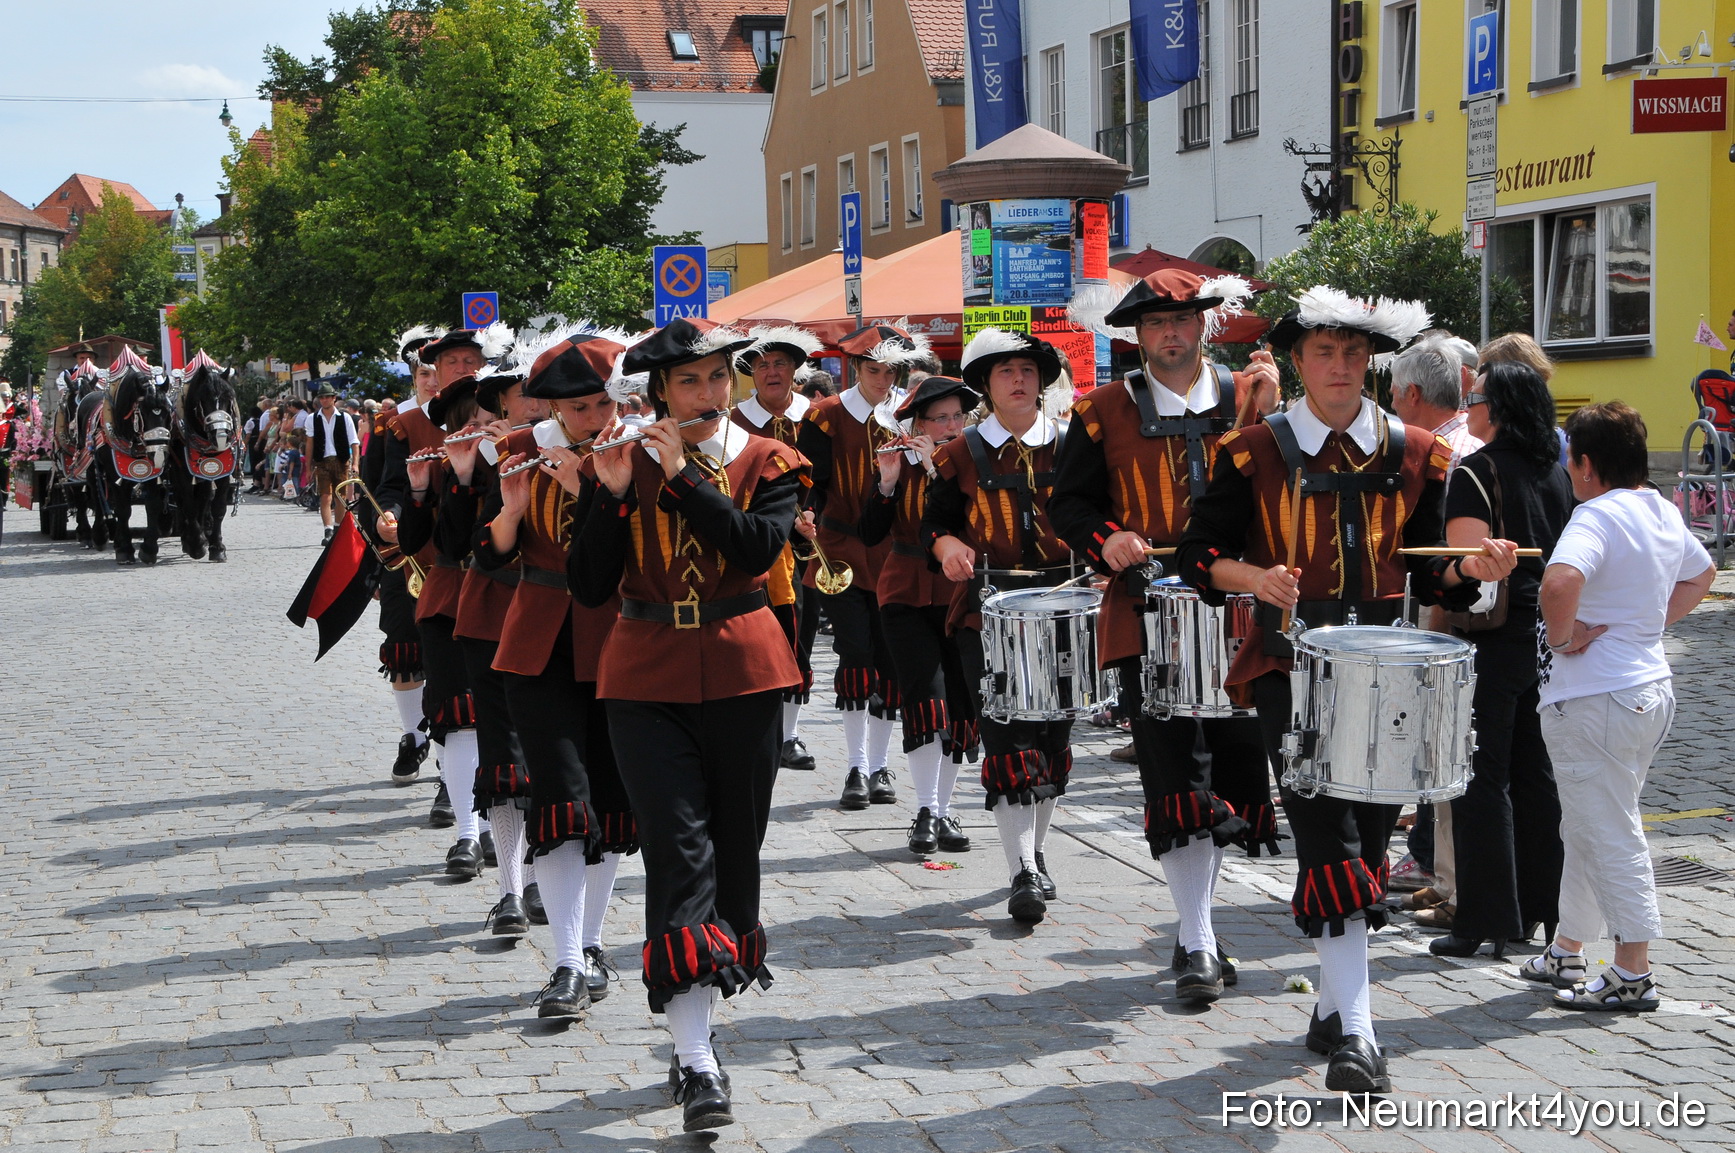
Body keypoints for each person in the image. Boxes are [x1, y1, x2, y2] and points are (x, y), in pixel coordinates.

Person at [1177, 285, 1512, 1093]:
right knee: (1331, 843)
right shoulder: (1250, 450)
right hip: (1285, 670)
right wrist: (1255, 576)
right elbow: (1196, 556)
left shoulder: (1419, 451)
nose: (1339, 367)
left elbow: (1436, 570)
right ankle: (1359, 1036)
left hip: (1389, 670)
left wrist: (1470, 568)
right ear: (1296, 360)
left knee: (1361, 835)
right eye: (1323, 352)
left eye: (1354, 354)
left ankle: (1332, 1005)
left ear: (1373, 363)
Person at [569, 317, 807, 1132]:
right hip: (643, 674)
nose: (705, 395)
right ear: (658, 395)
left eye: (715, 380)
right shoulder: (627, 463)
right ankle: (697, 1058)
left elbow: (752, 549)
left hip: (746, 669)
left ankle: (704, 1015)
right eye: (687, 384)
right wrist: (602, 493)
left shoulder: (769, 461)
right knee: (679, 851)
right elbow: (592, 584)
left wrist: (681, 480)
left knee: (736, 851)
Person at [1050, 268, 1280, 1003]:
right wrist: (1105, 538)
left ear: (1204, 327)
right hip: (1146, 610)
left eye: (1181, 321)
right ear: (1135, 334)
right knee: (1174, 777)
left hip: (1240, 609)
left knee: (1238, 774)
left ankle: (1201, 930)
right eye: (1153, 324)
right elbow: (1068, 504)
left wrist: (1271, 421)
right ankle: (1197, 938)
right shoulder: (1099, 411)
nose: (1169, 335)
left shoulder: (1250, 400)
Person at [1527, 401, 1714, 1011]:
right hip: (1645, 689)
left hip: (1595, 696)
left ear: (1584, 465)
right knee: (1589, 822)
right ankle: (1569, 946)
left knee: (1607, 829)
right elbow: (1704, 570)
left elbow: (1558, 582)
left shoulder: (1596, 514)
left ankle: (1633, 967)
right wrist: (1645, 624)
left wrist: (1563, 637)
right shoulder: (1659, 508)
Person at [478, 325, 641, 1013]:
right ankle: (567, 961)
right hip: (539, 636)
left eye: (604, 405)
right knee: (560, 797)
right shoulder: (517, 450)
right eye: (578, 409)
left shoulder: (640, 451)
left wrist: (597, 491)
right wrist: (512, 513)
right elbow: (490, 556)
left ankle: (593, 943)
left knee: (608, 796)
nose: (594, 420)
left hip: (621, 639)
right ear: (549, 406)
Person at [922, 329, 1077, 926]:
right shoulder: (958, 454)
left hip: (1065, 605)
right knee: (1008, 738)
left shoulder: (1071, 444)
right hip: (986, 612)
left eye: (1029, 370)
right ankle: (1021, 870)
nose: (1019, 379)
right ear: (986, 386)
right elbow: (931, 527)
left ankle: (1036, 851)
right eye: (1005, 370)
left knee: (1053, 741)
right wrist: (948, 546)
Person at [1425, 362, 1575, 960]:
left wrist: (1446, 577)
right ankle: (1543, 911)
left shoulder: (1477, 470)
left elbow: (1465, 576)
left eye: (1475, 397)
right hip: (1546, 639)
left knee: (1478, 774)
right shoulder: (1555, 474)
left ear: (1500, 407)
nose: (1468, 407)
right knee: (1535, 775)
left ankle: (1486, 919)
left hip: (1493, 638)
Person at [796, 324, 933, 810]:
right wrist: (804, 513)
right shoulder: (827, 414)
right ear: (856, 368)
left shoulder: (910, 413)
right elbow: (806, 479)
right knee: (855, 657)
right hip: (839, 549)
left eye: (890, 370)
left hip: (896, 552)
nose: (882, 379)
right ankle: (855, 765)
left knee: (889, 663)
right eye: (873, 370)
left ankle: (879, 765)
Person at [859, 375, 981, 856]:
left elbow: (972, 522)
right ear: (919, 423)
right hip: (906, 591)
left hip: (960, 593)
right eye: (941, 418)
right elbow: (871, 533)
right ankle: (927, 809)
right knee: (925, 697)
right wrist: (888, 483)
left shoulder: (974, 461)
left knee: (959, 702)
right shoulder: (900, 458)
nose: (952, 426)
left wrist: (940, 470)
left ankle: (944, 808)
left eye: (958, 417)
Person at [1385, 334, 1486, 916]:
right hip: (1457, 623)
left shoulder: (1445, 458)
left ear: (1415, 394)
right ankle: (1441, 871)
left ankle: (1452, 880)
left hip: (1449, 626)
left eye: (1396, 395)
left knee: (1448, 755)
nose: (1393, 406)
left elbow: (1447, 563)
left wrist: (1437, 633)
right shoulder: (1466, 444)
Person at [733, 326, 823, 773]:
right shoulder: (735, 420)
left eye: (780, 364)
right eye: (763, 365)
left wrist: (816, 518)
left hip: (810, 542)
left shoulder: (818, 416)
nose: (771, 372)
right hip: (755, 539)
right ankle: (760, 724)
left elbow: (828, 480)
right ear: (751, 373)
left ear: (795, 370)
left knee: (801, 632)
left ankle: (790, 733)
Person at [366, 329, 442, 787]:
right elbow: (378, 489)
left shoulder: (483, 416)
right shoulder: (394, 423)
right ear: (413, 376)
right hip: (405, 553)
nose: (432, 381)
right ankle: (414, 737)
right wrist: (386, 520)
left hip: (462, 551)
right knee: (404, 649)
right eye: (424, 372)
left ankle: (453, 762)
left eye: (440, 371)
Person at [307, 384, 360, 543]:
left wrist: (355, 464)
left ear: (334, 398)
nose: (324, 400)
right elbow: (310, 443)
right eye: (322, 397)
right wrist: (308, 466)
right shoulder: (313, 418)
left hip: (341, 460)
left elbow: (354, 442)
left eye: (327, 397)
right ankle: (328, 530)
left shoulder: (344, 417)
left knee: (341, 497)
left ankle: (338, 526)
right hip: (322, 461)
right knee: (325, 496)